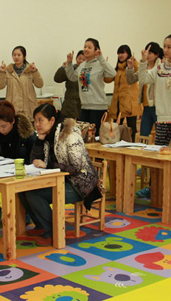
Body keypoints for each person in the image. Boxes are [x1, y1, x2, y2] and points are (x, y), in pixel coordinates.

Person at [19, 103, 100, 241]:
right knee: (23, 190)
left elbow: (77, 168)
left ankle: (53, 231)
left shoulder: (70, 135)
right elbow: (34, 160)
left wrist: (48, 165)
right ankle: (41, 225)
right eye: (35, 121)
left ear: (52, 120)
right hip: (58, 180)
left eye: (40, 120)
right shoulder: (46, 135)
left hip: (80, 185)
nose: (37, 124)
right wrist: (39, 141)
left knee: (34, 195)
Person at [0, 100, 36, 225]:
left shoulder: (26, 133)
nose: (0, 129)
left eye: (3, 126)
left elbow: (33, 157)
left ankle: (25, 210)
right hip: (5, 169)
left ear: (12, 121)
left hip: (24, 170)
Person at [65, 38, 116, 135]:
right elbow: (72, 77)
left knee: (95, 136)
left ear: (96, 50)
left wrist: (101, 58)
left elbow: (113, 73)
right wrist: (69, 63)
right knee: (83, 136)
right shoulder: (82, 65)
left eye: (89, 47)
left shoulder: (100, 64)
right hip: (84, 106)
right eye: (85, 47)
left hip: (98, 107)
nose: (86, 49)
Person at [126, 42, 164, 137]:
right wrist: (130, 68)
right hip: (146, 107)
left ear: (157, 54)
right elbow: (130, 80)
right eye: (146, 53)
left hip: (158, 106)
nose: (147, 55)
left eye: (150, 53)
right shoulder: (144, 67)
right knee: (143, 134)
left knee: (161, 135)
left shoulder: (161, 67)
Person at [0, 46, 43, 118]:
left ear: (24, 56)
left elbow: (39, 85)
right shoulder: (8, 70)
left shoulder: (30, 70)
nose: (16, 57)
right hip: (13, 107)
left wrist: (35, 71)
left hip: (28, 107)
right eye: (14, 55)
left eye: (19, 55)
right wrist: (2, 72)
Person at [106, 45, 140, 141]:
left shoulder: (132, 66)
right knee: (116, 127)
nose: (120, 55)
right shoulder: (117, 69)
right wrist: (105, 68)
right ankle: (117, 144)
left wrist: (134, 62)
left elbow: (139, 70)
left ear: (128, 54)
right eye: (119, 53)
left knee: (131, 127)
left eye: (122, 53)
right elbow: (107, 80)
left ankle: (132, 145)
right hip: (117, 103)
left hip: (129, 103)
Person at [54, 50, 85, 120]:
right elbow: (57, 79)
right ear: (76, 59)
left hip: (83, 106)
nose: (81, 61)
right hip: (69, 106)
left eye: (84, 59)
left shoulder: (89, 72)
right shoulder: (71, 70)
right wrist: (63, 67)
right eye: (80, 58)